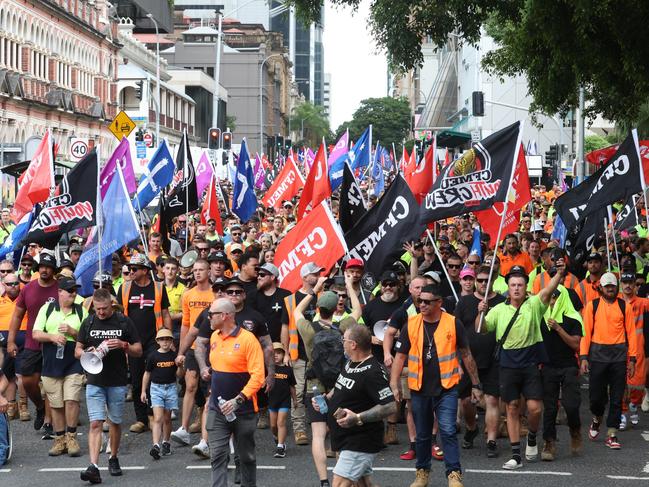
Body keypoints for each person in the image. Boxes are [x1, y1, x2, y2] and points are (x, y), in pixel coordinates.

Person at [391, 284, 482, 487]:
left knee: (448, 430)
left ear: (439, 303)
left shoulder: (452, 323)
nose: (421, 304)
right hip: (419, 389)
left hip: (447, 388)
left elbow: (466, 354)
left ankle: (454, 474)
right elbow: (400, 356)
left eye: (426, 301)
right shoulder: (411, 324)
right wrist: (394, 383)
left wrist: (476, 384)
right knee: (422, 435)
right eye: (419, 301)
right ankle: (422, 473)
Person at [480, 263, 565, 470]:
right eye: (512, 285)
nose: (516, 288)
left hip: (530, 364)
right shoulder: (498, 309)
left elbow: (547, 291)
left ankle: (533, 436)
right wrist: (481, 312)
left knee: (535, 409)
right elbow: (481, 329)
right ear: (507, 288)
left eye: (520, 284)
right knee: (512, 407)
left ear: (525, 287)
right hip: (507, 365)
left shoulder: (534, 305)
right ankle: (516, 454)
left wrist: (559, 273)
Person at [315, 324, 397, 487]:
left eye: (343, 340)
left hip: (360, 440)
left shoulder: (373, 372)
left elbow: (390, 406)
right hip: (345, 438)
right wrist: (327, 398)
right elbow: (341, 386)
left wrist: (358, 417)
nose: (341, 342)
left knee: (339, 484)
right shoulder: (350, 363)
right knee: (363, 484)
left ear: (353, 345)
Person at [75, 288, 143, 484]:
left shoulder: (123, 321)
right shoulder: (88, 322)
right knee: (96, 423)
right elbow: (77, 350)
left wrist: (124, 346)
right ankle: (94, 466)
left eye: (104, 308)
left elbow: (138, 350)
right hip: (94, 380)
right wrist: (86, 351)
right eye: (98, 309)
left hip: (117, 380)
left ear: (111, 305)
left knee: (114, 421)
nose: (101, 313)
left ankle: (113, 457)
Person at [204, 298, 265, 487]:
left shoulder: (248, 340)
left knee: (246, 457)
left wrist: (238, 399)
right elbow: (217, 370)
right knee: (218, 457)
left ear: (224, 316)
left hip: (244, 411)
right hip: (217, 409)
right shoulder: (214, 337)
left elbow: (258, 376)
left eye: (211, 314)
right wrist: (211, 392)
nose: (208, 318)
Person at [294, 283, 346, 487]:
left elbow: (297, 310)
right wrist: (349, 286)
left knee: (318, 435)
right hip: (337, 389)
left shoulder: (308, 329)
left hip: (314, 387)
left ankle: (323, 480)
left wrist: (314, 289)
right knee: (340, 435)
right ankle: (340, 480)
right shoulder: (342, 327)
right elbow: (358, 309)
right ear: (336, 309)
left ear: (318, 308)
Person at [580, 272, 637, 450]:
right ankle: (597, 418)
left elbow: (632, 334)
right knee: (596, 397)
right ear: (601, 288)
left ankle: (612, 433)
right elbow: (585, 333)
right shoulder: (592, 306)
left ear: (616, 286)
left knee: (617, 396)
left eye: (613, 285)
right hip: (597, 356)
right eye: (607, 286)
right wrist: (583, 357)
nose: (610, 289)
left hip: (619, 357)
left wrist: (633, 359)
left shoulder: (624, 306)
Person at [31, 277, 87, 457]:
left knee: (71, 400)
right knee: (55, 404)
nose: (73, 293)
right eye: (69, 290)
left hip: (74, 362)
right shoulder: (47, 309)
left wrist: (73, 332)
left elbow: (88, 336)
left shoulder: (81, 311)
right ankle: (59, 439)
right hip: (51, 362)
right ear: (59, 292)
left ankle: (72, 437)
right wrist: (52, 337)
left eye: (75, 290)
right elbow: (36, 333)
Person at [454, 265, 505, 456]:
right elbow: (455, 332)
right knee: (466, 402)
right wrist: (457, 361)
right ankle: (472, 427)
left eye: (487, 280)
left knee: (492, 400)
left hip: (493, 359)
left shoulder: (502, 301)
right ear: (475, 280)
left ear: (494, 279)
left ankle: (491, 440)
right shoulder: (464, 302)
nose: (484, 283)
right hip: (468, 360)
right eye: (481, 280)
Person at [7, 252, 59, 434]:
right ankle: (39, 407)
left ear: (53, 270)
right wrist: (11, 341)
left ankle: (48, 422)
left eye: (48, 267)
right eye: (42, 266)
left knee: (51, 384)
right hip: (32, 342)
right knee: (29, 382)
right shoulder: (28, 289)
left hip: (55, 344)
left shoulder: (61, 289)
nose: (44, 270)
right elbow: (17, 316)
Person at [119, 254, 172, 433]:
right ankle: (140, 418)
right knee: (135, 380)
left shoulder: (158, 287)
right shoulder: (124, 288)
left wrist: (168, 337)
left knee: (153, 380)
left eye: (134, 269)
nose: (130, 272)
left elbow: (165, 314)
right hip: (133, 342)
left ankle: (152, 415)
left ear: (145, 270)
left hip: (154, 340)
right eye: (129, 269)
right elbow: (120, 315)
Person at [173, 259, 214, 447]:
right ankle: (184, 429)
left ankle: (207, 436)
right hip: (191, 347)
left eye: (201, 270)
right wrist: (181, 350)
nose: (197, 273)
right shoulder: (188, 294)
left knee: (209, 393)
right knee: (190, 387)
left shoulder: (216, 293)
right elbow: (186, 325)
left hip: (210, 348)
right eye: (194, 270)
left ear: (209, 271)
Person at [539, 287, 583, 461]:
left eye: (555, 297)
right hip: (548, 367)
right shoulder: (542, 317)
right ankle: (549, 442)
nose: (552, 301)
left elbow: (576, 344)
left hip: (568, 366)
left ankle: (575, 430)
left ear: (562, 298)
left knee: (571, 404)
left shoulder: (572, 318)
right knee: (549, 407)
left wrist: (558, 328)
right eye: (549, 297)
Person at [281, 261, 323, 446]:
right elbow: (284, 328)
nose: (318, 276)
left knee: (318, 392)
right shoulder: (290, 300)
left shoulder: (323, 296)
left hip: (320, 354)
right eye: (314, 273)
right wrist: (285, 353)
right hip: (297, 354)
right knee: (298, 393)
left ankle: (322, 427)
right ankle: (299, 430)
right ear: (305, 277)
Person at [141, 328, 178, 460]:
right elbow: (147, 373)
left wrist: (180, 365)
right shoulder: (153, 356)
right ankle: (155, 445)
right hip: (156, 388)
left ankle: (166, 443)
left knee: (167, 418)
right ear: (157, 341)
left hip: (171, 387)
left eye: (168, 339)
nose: (165, 342)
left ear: (171, 341)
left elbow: (179, 375)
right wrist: (143, 391)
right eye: (162, 339)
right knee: (158, 418)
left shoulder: (174, 356)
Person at [0, 271, 27, 421]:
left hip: (24, 342)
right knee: (7, 375)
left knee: (21, 375)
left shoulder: (25, 298)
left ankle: (23, 405)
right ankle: (12, 405)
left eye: (16, 283)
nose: (13, 286)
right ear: (3, 284)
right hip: (3, 343)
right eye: (9, 284)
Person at [268, 342, 297, 458]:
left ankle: (280, 446)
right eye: (273, 354)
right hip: (272, 400)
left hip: (284, 400)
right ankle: (277, 437)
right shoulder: (269, 369)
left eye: (278, 353)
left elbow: (292, 387)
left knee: (281, 423)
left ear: (283, 355)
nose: (276, 355)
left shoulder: (288, 370)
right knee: (273, 426)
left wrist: (294, 400)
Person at [255, 264, 291, 343]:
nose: (258, 277)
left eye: (262, 275)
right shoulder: (253, 295)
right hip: (258, 345)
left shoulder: (286, 295)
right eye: (258, 275)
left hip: (279, 347)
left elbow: (287, 324)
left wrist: (284, 351)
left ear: (272, 277)